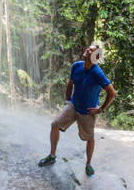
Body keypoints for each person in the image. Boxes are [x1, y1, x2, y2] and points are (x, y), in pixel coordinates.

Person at [39, 43, 117, 177]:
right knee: (55, 125)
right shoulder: (77, 66)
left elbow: (112, 93)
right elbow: (70, 83)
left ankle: (88, 164)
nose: (88, 50)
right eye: (88, 48)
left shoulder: (97, 73)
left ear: (95, 57)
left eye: (91, 50)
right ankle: (52, 156)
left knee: (90, 137)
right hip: (73, 105)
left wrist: (100, 110)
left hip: (88, 110)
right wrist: (67, 100)